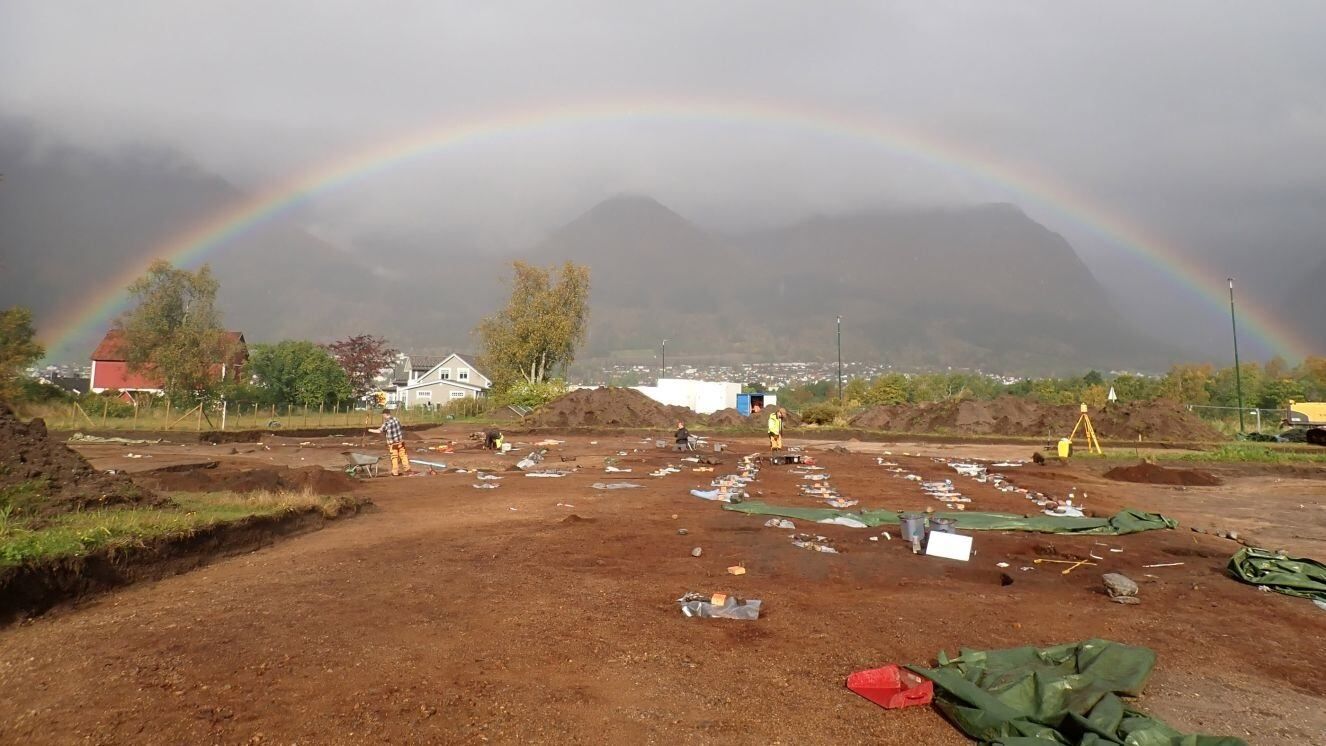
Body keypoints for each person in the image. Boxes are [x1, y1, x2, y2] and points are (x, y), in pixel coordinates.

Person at [368, 408, 411, 476]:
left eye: (383, 415)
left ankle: (395, 472)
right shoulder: (396, 419)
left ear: (385, 414)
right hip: (400, 442)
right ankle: (407, 469)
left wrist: (370, 430)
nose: (383, 416)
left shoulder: (386, 423)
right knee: (403, 455)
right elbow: (399, 427)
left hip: (393, 444)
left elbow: (379, 431)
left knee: (394, 457)